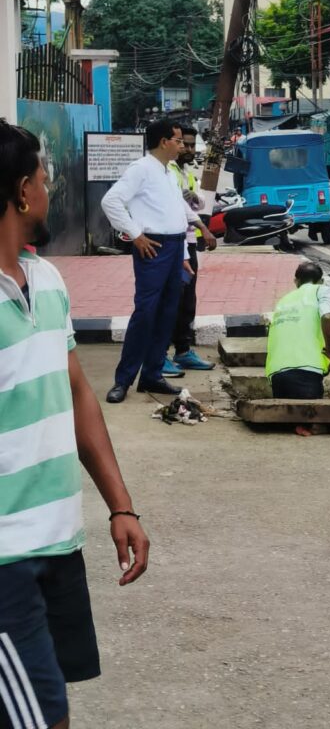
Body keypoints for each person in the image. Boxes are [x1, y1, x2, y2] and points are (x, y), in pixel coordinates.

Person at [0, 119, 149, 729]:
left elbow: (78, 394)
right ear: (19, 192)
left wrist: (121, 505)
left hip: (57, 544)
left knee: (45, 705)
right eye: (43, 176)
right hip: (4, 560)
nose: (50, 187)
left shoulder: (48, 282)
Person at [101, 119, 213, 403]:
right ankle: (123, 381)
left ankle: (152, 375)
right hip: (153, 247)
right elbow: (110, 201)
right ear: (164, 142)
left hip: (175, 248)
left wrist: (184, 256)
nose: (181, 145)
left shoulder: (167, 172)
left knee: (166, 314)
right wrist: (135, 234)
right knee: (146, 314)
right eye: (177, 140)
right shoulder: (141, 169)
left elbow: (177, 212)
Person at [165, 126, 218, 375]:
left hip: (187, 242)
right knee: (170, 300)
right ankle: (160, 353)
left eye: (191, 144)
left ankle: (183, 351)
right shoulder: (164, 170)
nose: (187, 149)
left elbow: (198, 201)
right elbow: (177, 205)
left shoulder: (184, 171)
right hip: (171, 243)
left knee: (187, 300)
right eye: (182, 143)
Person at [265, 261, 330, 402]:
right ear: (321, 281)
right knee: (310, 420)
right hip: (307, 370)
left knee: (289, 419)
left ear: (296, 281)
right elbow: (327, 316)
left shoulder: (283, 300)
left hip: (277, 373)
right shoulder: (321, 290)